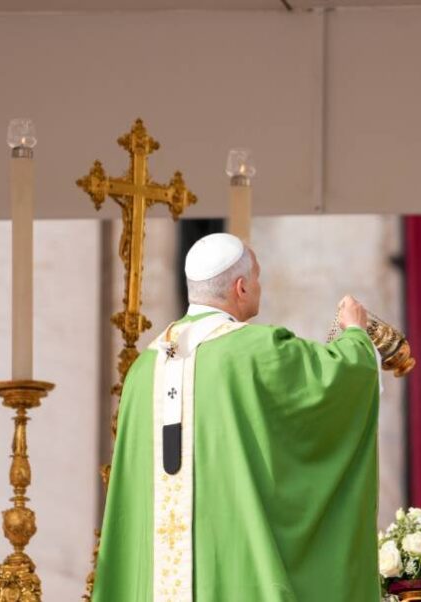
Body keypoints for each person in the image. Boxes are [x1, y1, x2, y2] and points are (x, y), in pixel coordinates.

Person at [93, 233, 382, 601]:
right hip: (232, 570)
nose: (260, 286)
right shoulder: (255, 351)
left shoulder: (143, 368)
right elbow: (339, 379)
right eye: (257, 278)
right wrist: (355, 332)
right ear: (241, 287)